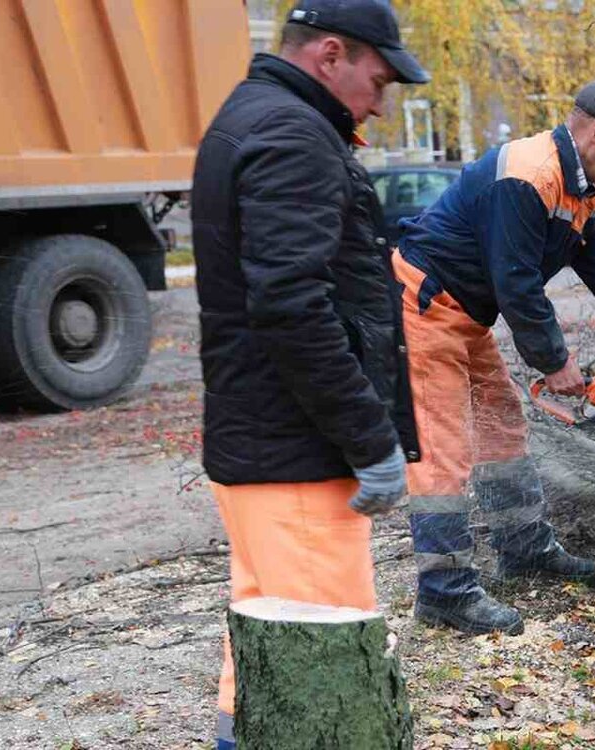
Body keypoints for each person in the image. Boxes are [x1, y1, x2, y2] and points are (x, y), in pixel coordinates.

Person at [189, 2, 428, 747]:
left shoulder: (255, 116)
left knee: (267, 653)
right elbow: (293, 307)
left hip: (267, 448)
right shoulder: (293, 135)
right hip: (296, 455)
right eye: (378, 81)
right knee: (320, 669)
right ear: (330, 55)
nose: (380, 105)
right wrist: (370, 438)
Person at [395, 81, 595, 636]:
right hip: (424, 305)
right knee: (442, 450)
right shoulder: (528, 175)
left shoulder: (585, 190)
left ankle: (523, 547)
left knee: (503, 427)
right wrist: (554, 360)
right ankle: (444, 591)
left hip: (466, 315)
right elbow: (516, 280)